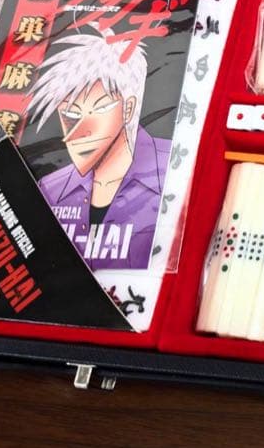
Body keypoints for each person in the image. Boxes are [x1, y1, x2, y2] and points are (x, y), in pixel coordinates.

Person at [27, 28, 168, 270]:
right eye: (71, 114)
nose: (81, 130)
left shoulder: (175, 168)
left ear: (128, 108)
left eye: (99, 109)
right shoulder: (50, 190)